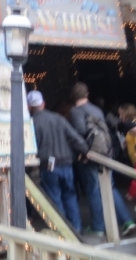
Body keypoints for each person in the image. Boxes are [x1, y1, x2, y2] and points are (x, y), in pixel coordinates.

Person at [68, 82, 136, 237]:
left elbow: (81, 131)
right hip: (105, 152)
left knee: (93, 189)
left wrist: (81, 150)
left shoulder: (76, 111)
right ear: (86, 94)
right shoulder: (96, 109)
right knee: (110, 187)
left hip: (90, 155)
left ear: (73, 97)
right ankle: (127, 221)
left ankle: (98, 227)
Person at [27, 90, 88, 232]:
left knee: (55, 199)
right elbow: (75, 138)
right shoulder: (58, 118)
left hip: (48, 166)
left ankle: (62, 231)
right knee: (70, 196)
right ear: (43, 103)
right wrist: (85, 151)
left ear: (29, 107)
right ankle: (76, 228)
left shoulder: (31, 123)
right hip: (66, 163)